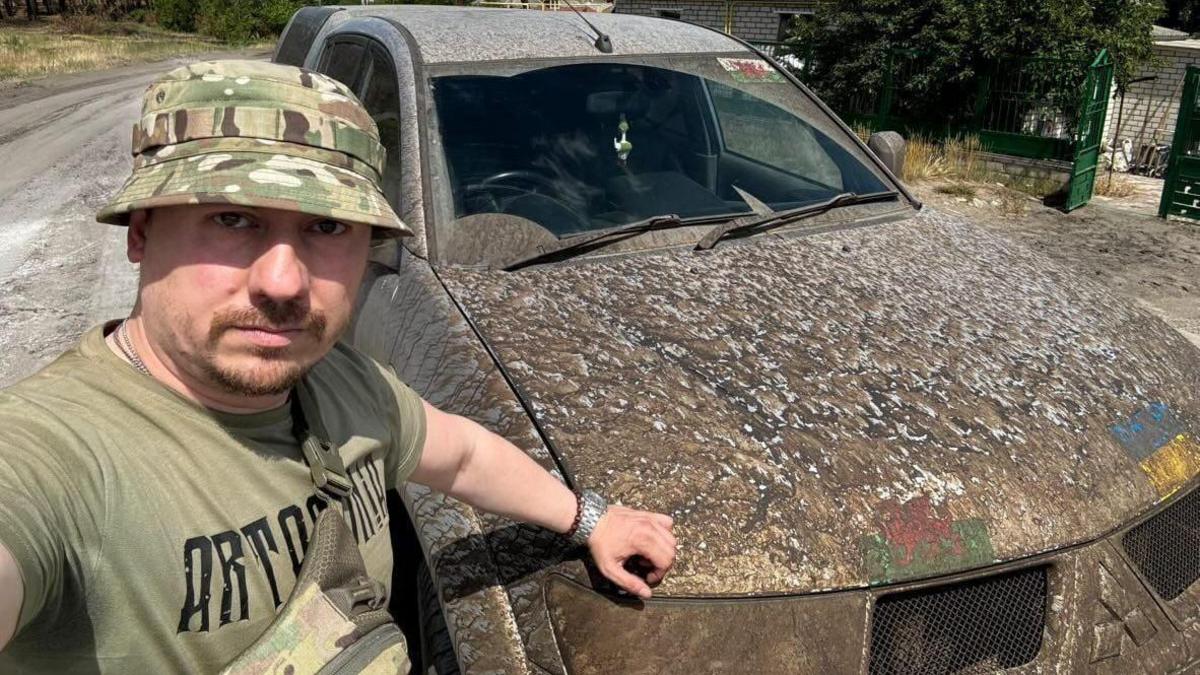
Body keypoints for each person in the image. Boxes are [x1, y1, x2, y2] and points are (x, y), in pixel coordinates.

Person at [0, 60, 677, 673]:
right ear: (142, 231)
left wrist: (594, 520)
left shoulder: (342, 382)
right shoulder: (52, 454)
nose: (285, 282)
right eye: (233, 218)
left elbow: (462, 454)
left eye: (327, 228)